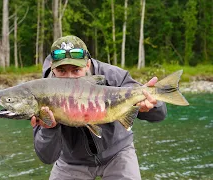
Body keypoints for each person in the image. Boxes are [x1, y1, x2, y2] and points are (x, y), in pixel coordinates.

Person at [31, 35, 167, 180]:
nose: (69, 77)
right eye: (62, 71)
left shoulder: (112, 76)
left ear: (87, 64)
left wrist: (152, 106)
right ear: (52, 67)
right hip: (71, 161)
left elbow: (160, 114)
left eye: (76, 70)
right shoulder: (41, 93)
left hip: (118, 153)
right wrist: (49, 129)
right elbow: (47, 157)